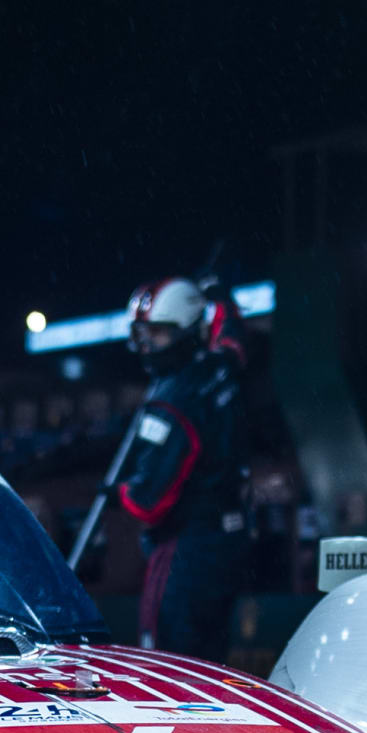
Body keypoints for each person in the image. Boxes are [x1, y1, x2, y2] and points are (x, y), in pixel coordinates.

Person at [114, 276, 247, 659]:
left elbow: (146, 502)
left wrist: (120, 489)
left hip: (186, 551)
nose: (149, 345)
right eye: (144, 334)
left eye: (158, 334)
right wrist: (221, 296)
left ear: (187, 332)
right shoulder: (221, 365)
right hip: (230, 541)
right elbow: (233, 337)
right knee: (212, 658)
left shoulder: (171, 401)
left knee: (168, 661)